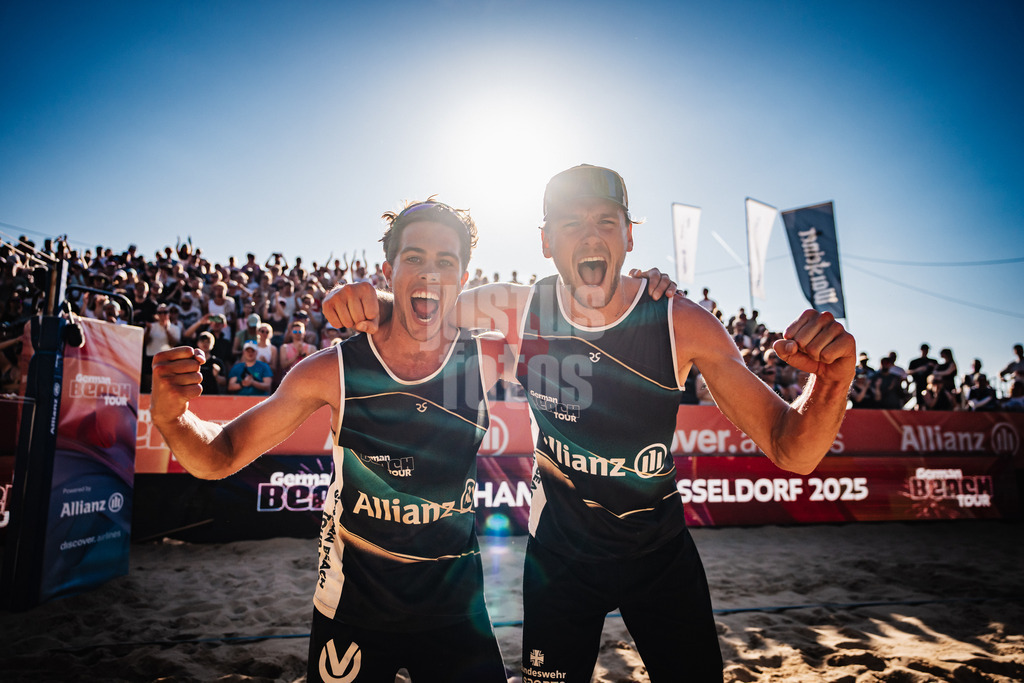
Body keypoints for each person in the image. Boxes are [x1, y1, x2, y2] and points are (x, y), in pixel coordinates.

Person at [322, 164, 856, 682]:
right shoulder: (520, 310)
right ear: (546, 241)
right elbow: (424, 308)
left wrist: (832, 380)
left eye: (605, 221)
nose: (590, 237)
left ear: (629, 236)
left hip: (659, 558)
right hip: (560, 562)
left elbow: (795, 451)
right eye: (570, 223)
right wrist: (368, 300)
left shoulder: (680, 323)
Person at [150, 199, 510, 683]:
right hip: (354, 608)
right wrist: (172, 419)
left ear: (464, 278)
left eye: (446, 261)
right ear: (389, 269)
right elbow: (221, 456)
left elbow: (585, 334)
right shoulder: (332, 369)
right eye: (415, 258)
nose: (429, 273)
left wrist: (649, 288)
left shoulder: (485, 357)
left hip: (456, 607)